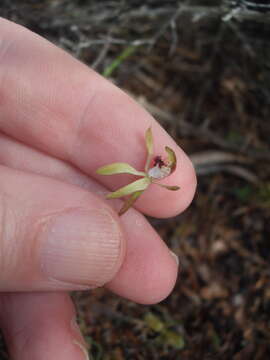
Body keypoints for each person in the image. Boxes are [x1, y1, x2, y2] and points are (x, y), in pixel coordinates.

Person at [0, 17, 196, 360]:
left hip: (139, 182)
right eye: (159, 161)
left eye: (162, 165)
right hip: (135, 181)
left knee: (124, 202)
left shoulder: (146, 178)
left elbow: (158, 163)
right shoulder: (135, 173)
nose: (160, 163)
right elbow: (139, 156)